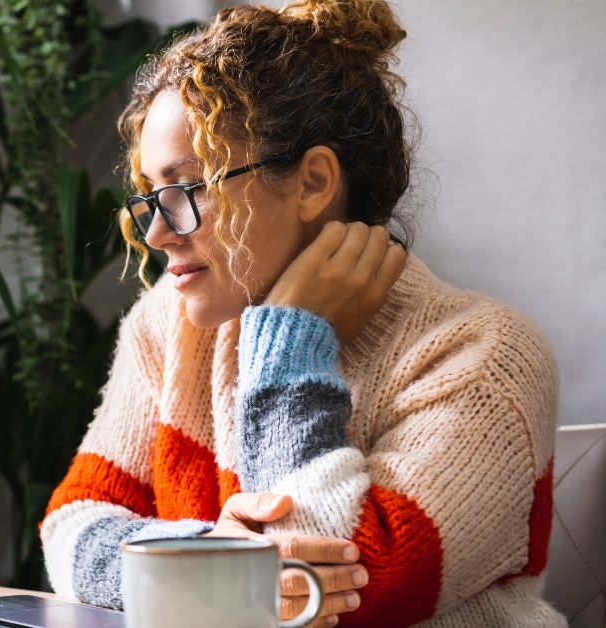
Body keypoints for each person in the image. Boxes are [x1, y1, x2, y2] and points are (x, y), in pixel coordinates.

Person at [39, 1, 565, 626]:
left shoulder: (485, 356)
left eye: (187, 189)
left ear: (313, 182)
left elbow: (327, 596)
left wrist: (290, 342)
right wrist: (215, 553)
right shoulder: (167, 327)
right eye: (152, 196)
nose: (157, 233)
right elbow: (70, 526)